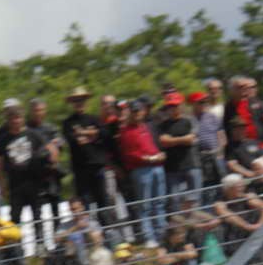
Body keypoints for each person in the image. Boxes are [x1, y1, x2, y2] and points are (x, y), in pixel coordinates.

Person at [0, 106, 52, 252]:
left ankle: (40, 246)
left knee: (37, 215)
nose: (16, 121)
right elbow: (0, 165)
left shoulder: (33, 134)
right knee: (15, 217)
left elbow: (50, 149)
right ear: (8, 120)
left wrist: (49, 162)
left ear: (22, 119)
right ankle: (16, 250)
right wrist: (2, 186)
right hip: (15, 183)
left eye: (18, 118)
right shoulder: (3, 139)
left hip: (33, 181)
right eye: (12, 118)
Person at [119, 99, 167, 248]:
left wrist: (159, 154)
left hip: (157, 167)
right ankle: (149, 237)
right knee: (145, 205)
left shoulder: (147, 126)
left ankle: (161, 234)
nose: (137, 114)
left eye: (138, 111)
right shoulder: (126, 131)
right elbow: (130, 154)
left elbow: (154, 145)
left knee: (159, 202)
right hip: (142, 170)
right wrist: (151, 158)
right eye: (134, 111)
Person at [62, 86, 112, 226]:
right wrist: (91, 133)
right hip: (80, 169)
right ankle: (89, 234)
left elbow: (105, 135)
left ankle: (108, 232)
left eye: (82, 100)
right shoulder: (68, 122)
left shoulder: (94, 119)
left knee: (103, 203)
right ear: (72, 103)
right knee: (85, 204)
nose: (79, 103)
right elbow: (72, 139)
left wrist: (83, 132)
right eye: (76, 100)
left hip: (97, 167)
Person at [158, 92, 203, 206]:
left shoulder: (190, 120)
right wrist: (182, 140)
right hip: (172, 167)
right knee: (175, 200)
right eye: (170, 106)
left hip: (191, 164)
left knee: (194, 199)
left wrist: (172, 141)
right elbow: (164, 141)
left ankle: (195, 217)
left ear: (181, 105)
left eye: (175, 105)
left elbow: (190, 139)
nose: (172, 109)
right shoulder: (163, 124)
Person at [27, 98, 64, 233]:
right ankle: (40, 241)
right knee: (37, 212)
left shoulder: (50, 128)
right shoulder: (26, 129)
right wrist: (47, 148)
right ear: (31, 111)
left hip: (51, 175)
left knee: (56, 209)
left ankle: (59, 238)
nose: (39, 113)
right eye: (36, 110)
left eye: (41, 110)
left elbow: (60, 143)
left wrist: (53, 148)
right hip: (34, 176)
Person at [214, 174, 263, 258]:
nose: (242, 189)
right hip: (235, 237)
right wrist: (247, 226)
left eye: (242, 186)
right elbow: (227, 215)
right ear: (228, 189)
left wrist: (260, 224)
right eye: (238, 187)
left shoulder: (248, 197)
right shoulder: (220, 202)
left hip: (255, 234)